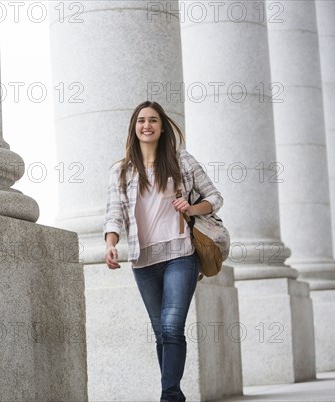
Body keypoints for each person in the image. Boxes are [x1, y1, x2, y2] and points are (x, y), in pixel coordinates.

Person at [103, 101, 223, 402]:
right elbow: (113, 213)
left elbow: (215, 197)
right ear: (134, 127)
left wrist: (192, 207)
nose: (147, 125)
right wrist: (111, 243)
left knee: (171, 327)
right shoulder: (120, 171)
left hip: (181, 254)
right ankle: (175, 395)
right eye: (141, 120)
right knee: (161, 333)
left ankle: (169, 396)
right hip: (143, 261)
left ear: (162, 126)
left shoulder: (181, 161)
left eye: (153, 120)